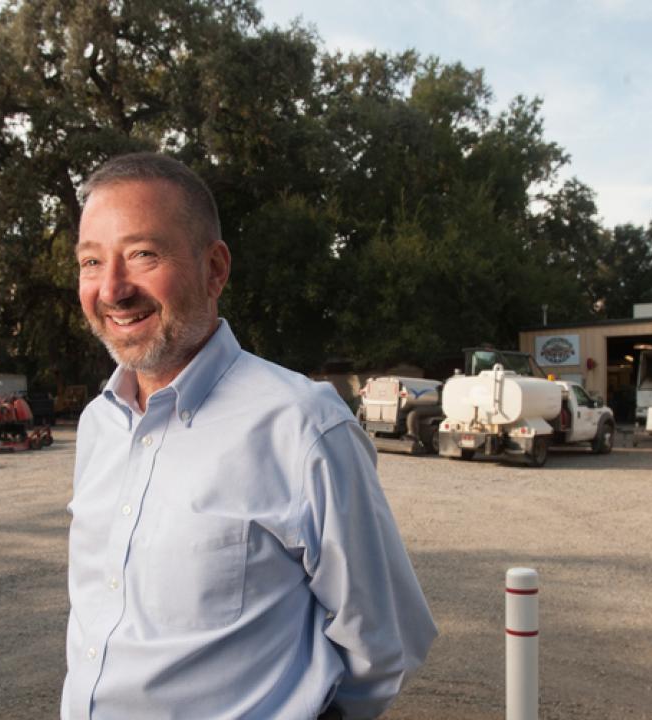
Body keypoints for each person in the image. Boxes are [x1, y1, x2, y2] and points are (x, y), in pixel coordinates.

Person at [64, 152, 437, 720]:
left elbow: (384, 643)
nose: (112, 289)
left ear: (214, 269)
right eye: (92, 261)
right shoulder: (99, 424)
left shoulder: (303, 426)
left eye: (143, 254)